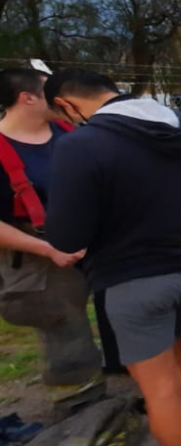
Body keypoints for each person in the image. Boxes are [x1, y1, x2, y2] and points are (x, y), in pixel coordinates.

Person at [42, 69, 181, 446]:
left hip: (131, 278)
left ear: (66, 104)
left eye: (63, 115)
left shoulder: (80, 145)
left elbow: (66, 237)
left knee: (159, 387)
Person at [0, 68, 103, 416]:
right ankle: (81, 405)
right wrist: (48, 249)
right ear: (26, 98)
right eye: (49, 91)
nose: (61, 97)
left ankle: (128, 362)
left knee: (120, 303)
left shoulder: (68, 133)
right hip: (37, 257)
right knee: (65, 323)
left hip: (92, 240)